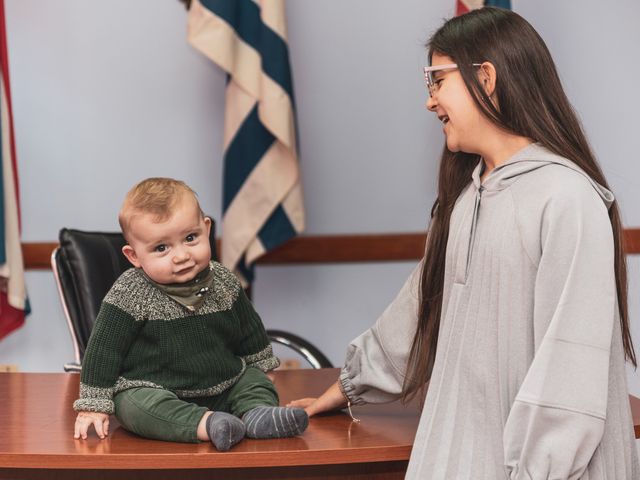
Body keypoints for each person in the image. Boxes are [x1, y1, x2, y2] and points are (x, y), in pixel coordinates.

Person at [289, 7, 640, 479]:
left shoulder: (566, 199)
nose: (429, 100)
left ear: (486, 77)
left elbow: (569, 371)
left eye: (437, 79)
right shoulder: (467, 197)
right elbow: (420, 309)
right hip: (459, 452)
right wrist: (347, 386)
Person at [73, 177, 308, 451]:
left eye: (190, 238)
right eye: (162, 248)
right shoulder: (129, 292)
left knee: (253, 379)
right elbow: (103, 351)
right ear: (134, 256)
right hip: (157, 390)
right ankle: (207, 424)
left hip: (224, 384)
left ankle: (256, 414)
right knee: (131, 405)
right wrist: (93, 406)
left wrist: (262, 367)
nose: (181, 255)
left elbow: (249, 329)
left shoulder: (223, 280)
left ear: (206, 229)